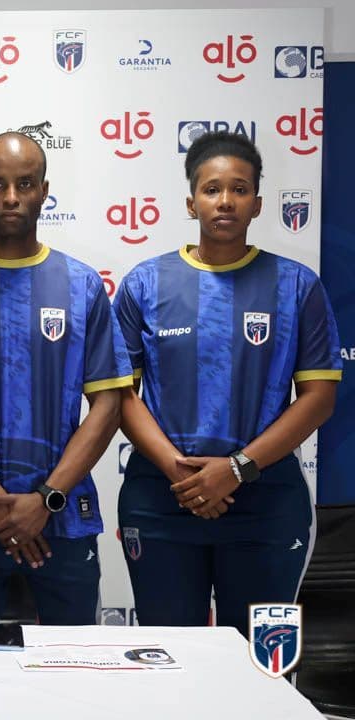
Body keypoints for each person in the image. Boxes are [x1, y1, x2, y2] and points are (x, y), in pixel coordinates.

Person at [113, 131, 341, 637]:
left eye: (240, 189)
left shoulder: (297, 285)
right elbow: (121, 397)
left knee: (260, 668)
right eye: (212, 189)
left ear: (258, 203)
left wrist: (237, 469)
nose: (225, 201)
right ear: (190, 200)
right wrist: (183, 473)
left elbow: (319, 398)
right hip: (162, 500)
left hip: (265, 504)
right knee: (170, 660)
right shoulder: (144, 284)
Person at [0, 132, 132, 625]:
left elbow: (108, 404)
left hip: (64, 518)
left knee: (72, 676)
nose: (11, 197)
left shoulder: (80, 284)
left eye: (24, 184)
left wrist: (46, 499)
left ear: (44, 189)